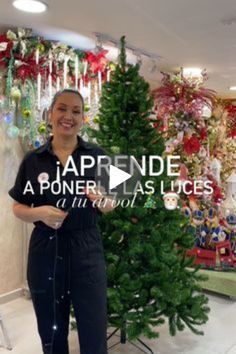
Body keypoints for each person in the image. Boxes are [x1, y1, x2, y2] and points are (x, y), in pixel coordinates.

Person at [8, 89, 114, 354]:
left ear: (82, 118)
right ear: (51, 114)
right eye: (62, 109)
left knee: (93, 326)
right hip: (46, 249)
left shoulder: (97, 155)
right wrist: (41, 212)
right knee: (51, 328)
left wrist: (101, 198)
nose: (69, 116)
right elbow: (18, 208)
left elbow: (111, 205)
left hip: (86, 249)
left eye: (76, 111)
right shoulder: (34, 160)